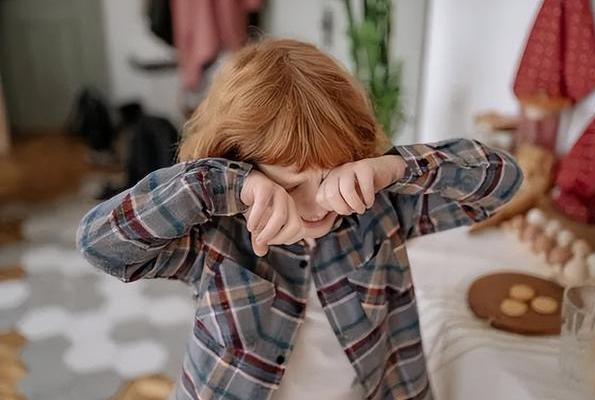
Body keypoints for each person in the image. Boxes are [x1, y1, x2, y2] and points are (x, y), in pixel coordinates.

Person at [76, 39, 522, 400]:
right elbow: (100, 244)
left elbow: (501, 184)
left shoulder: (381, 208)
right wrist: (219, 186)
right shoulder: (215, 232)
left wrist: (396, 167)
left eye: (328, 177)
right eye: (290, 186)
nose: (316, 206)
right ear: (238, 164)